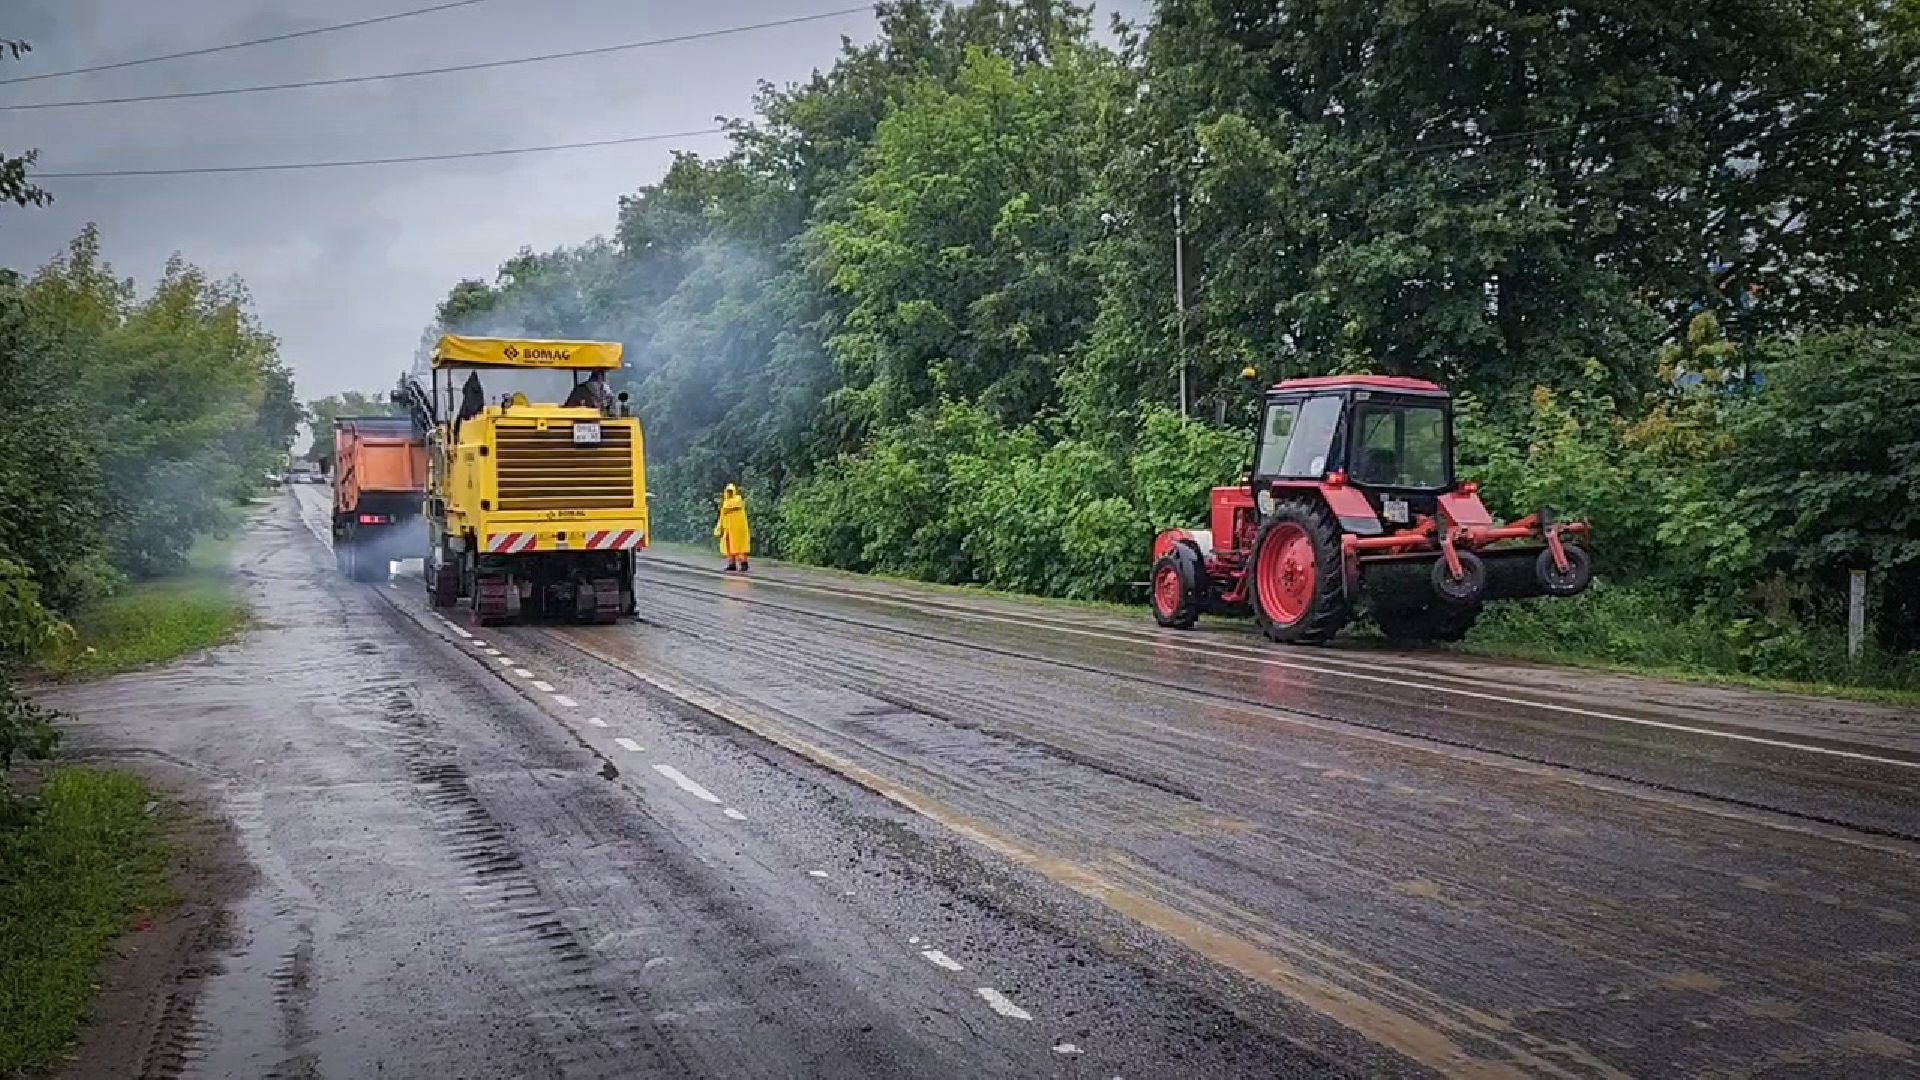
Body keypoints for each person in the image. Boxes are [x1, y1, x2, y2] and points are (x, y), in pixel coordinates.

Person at [714, 484, 751, 572]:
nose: (729, 493)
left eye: (731, 491)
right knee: (729, 547)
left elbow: (732, 506)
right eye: (728, 491)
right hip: (728, 528)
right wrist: (719, 527)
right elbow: (722, 516)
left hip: (739, 529)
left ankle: (743, 564)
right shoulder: (725, 502)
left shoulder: (737, 500)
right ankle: (732, 564)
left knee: (740, 547)